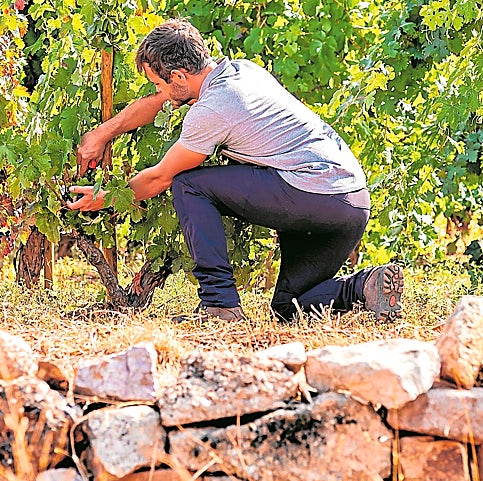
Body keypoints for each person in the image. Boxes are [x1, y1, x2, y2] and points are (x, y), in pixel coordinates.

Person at [66, 18, 402, 323]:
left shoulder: (214, 108)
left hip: (313, 194)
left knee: (187, 184)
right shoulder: (243, 71)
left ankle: (220, 305)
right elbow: (158, 104)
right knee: (290, 308)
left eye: (160, 84)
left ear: (180, 77)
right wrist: (103, 133)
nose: (159, 94)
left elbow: (160, 177)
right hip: (350, 203)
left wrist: (105, 198)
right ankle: (365, 286)